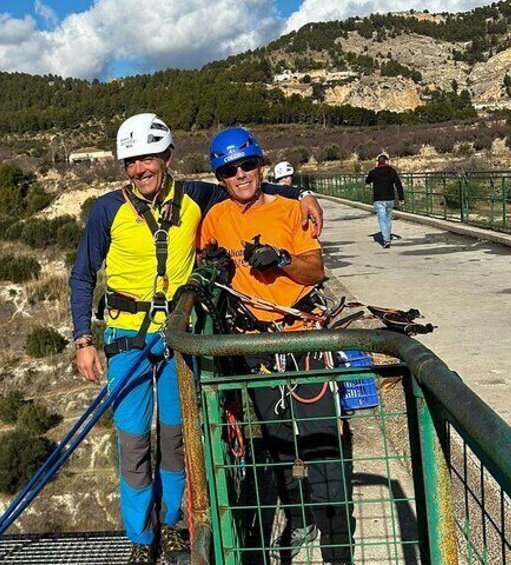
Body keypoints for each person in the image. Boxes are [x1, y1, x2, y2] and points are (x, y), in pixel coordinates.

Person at [69, 114, 324, 565]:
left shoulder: (194, 197)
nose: (139, 168)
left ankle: (170, 525)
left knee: (174, 437)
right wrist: (83, 340)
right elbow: (83, 275)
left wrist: (301, 194)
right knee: (132, 442)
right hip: (127, 338)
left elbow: (248, 188)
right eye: (130, 161)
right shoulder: (107, 210)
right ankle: (139, 537)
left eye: (148, 157)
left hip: (174, 339)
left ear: (168, 157)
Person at [198, 127, 355, 564]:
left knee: (324, 446)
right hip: (255, 345)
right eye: (230, 170)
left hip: (302, 337)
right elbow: (202, 261)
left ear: (260, 166)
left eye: (248, 165)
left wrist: (282, 260)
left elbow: (316, 268)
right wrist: (210, 270)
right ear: (220, 177)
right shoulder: (215, 220)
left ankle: (338, 550)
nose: (241, 175)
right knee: (279, 443)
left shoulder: (289, 211)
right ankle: (299, 517)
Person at [364, 153, 404, 248]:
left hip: (378, 199)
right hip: (390, 198)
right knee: (388, 218)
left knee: (382, 219)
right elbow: (398, 184)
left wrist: (374, 169)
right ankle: (388, 237)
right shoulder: (392, 171)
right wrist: (401, 198)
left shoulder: (373, 172)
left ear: (378, 162)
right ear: (386, 161)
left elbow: (367, 181)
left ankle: (386, 239)